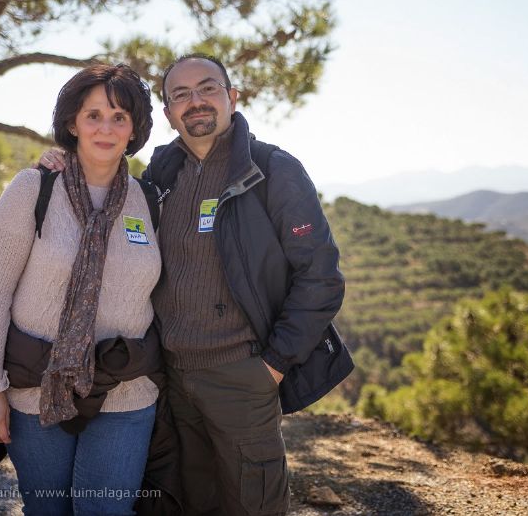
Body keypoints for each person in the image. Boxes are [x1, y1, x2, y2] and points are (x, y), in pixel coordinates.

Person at [40, 54, 351, 516]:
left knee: (253, 505)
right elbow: (111, 204)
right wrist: (66, 162)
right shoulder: (162, 173)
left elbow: (321, 276)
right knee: (188, 502)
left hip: (242, 376)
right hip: (172, 378)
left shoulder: (272, 169)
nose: (196, 102)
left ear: (232, 97)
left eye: (207, 88)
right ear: (167, 113)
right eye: (180, 95)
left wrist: (274, 364)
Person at [0, 63, 161, 516]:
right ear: (72, 123)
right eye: (93, 114)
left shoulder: (150, 200)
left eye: (119, 117)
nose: (106, 128)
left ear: (134, 129)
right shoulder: (33, 189)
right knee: (47, 511)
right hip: (36, 390)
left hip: (124, 392)